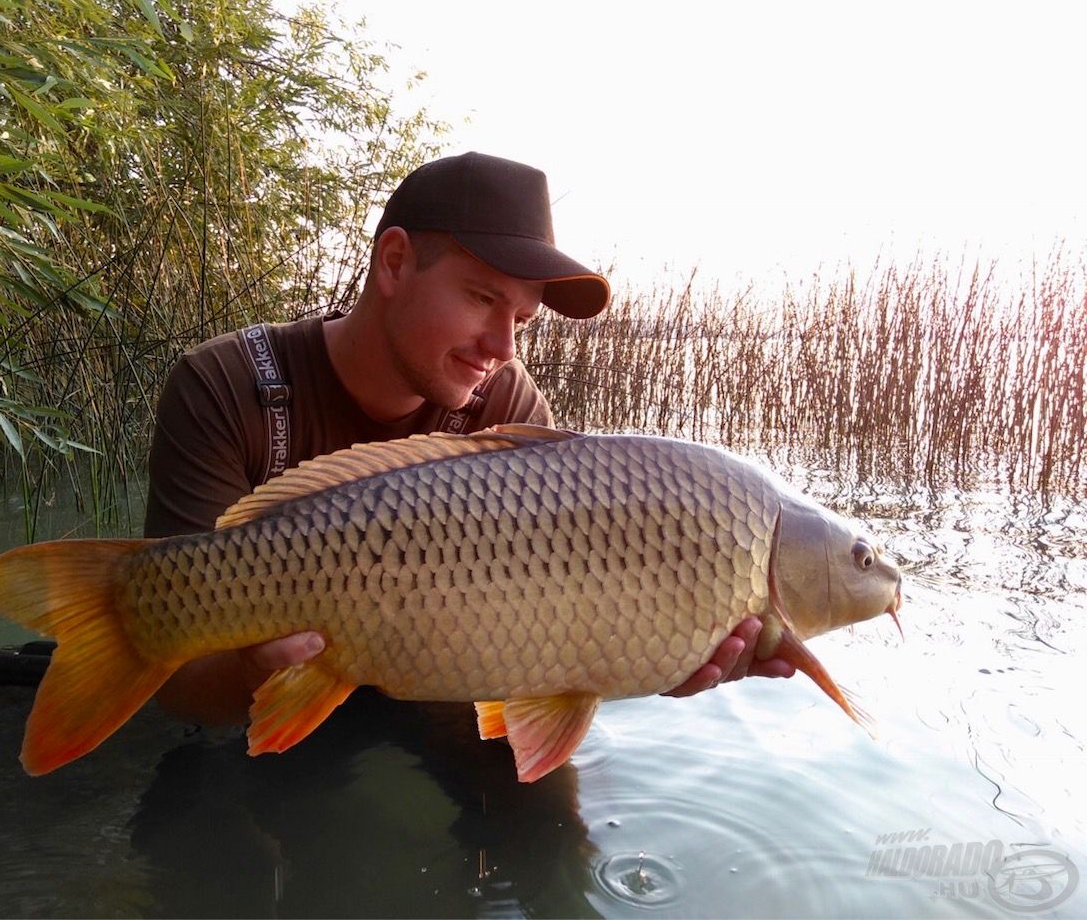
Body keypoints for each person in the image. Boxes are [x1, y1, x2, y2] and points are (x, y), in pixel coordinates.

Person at [142, 151, 793, 726]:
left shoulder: (505, 403)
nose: (503, 347)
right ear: (395, 262)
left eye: (522, 319)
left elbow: (554, 629)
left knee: (542, 831)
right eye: (482, 298)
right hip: (265, 695)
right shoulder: (226, 387)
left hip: (438, 688)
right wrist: (254, 671)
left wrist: (649, 658)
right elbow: (175, 685)